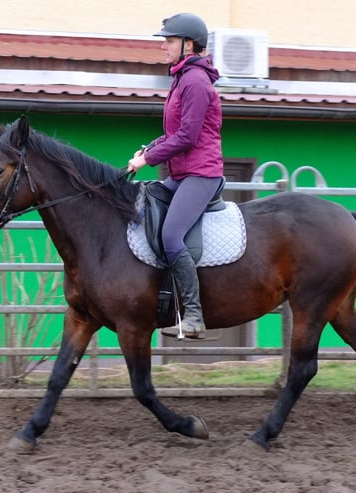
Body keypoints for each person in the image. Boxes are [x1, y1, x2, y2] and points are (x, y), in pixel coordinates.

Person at [128, 12, 224, 340]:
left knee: (171, 236)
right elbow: (172, 133)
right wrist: (146, 152)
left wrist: (148, 159)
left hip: (201, 174)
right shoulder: (181, 79)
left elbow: (188, 136)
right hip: (182, 174)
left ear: (189, 44)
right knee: (146, 201)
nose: (163, 47)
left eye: (168, 41)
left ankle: (194, 315)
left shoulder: (195, 82)